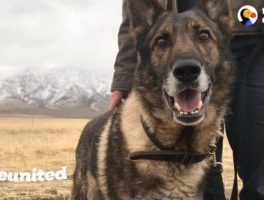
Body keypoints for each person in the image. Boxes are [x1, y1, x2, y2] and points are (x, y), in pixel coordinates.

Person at [109, 0, 264, 199]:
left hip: (255, 37)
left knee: (260, 167)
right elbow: (138, 19)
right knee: (200, 179)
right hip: (173, 27)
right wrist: (125, 72)